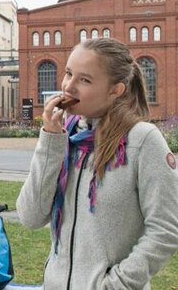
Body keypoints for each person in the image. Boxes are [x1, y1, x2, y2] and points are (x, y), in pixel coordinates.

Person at [16, 38, 178, 289]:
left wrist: (115, 284)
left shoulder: (142, 140)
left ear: (116, 90)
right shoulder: (65, 137)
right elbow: (31, 216)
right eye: (69, 73)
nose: (68, 87)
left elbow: (165, 230)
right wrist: (50, 140)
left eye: (85, 80)